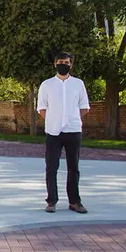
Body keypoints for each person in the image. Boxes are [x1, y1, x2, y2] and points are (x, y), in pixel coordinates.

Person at [37, 52, 90, 214]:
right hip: (53, 132)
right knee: (51, 167)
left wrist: (71, 119)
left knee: (73, 167)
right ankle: (51, 201)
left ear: (71, 65)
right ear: (55, 64)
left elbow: (84, 107)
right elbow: (41, 108)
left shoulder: (78, 84)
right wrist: (54, 120)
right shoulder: (47, 85)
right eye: (60, 62)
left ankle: (74, 202)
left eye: (66, 62)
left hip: (73, 131)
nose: (63, 64)